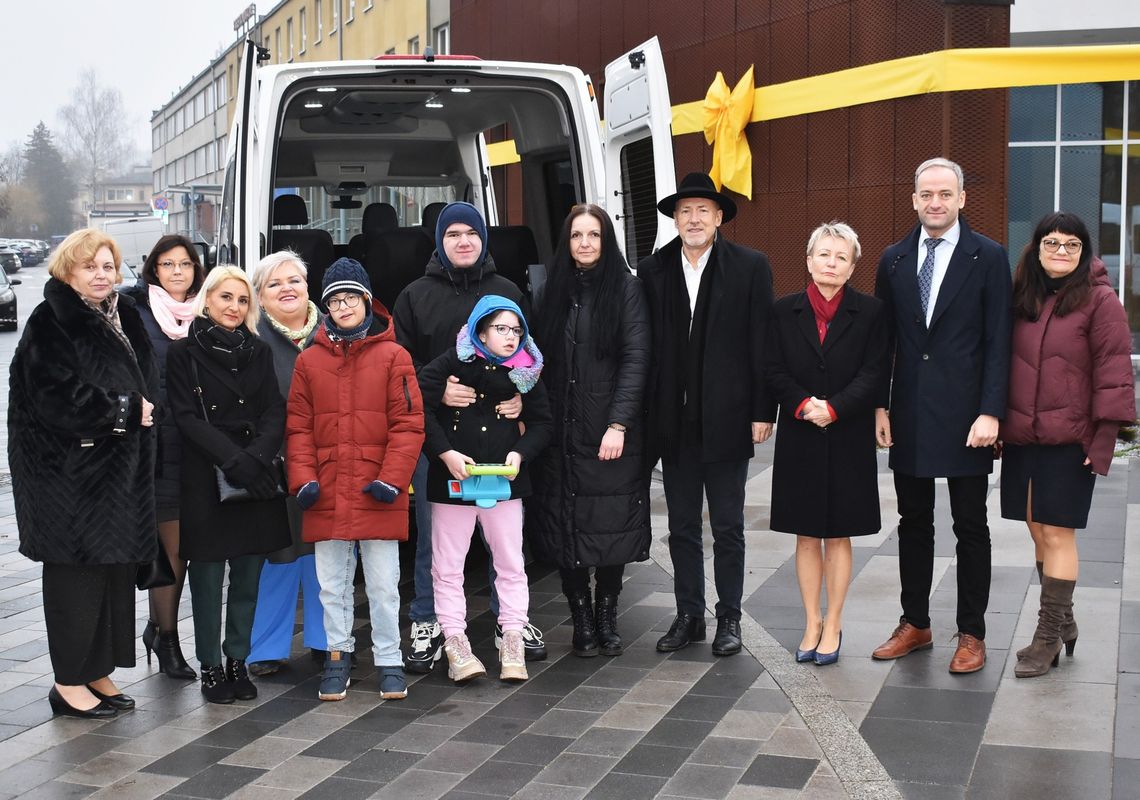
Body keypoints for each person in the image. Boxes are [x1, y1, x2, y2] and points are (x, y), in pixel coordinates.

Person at [8, 228, 158, 717]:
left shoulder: (124, 314)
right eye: (90, 266)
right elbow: (52, 394)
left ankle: (97, 671)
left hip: (117, 470)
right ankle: (68, 681)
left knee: (111, 574)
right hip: (67, 474)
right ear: (67, 270)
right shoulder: (50, 319)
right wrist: (124, 410)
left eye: (108, 266)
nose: (101, 274)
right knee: (75, 574)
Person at [392, 201, 546, 670]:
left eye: (472, 233)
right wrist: (440, 393)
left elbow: (528, 356)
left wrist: (523, 400)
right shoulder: (414, 295)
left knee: (506, 541)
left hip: (500, 439)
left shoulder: (508, 291)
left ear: (484, 239)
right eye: (453, 233)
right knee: (436, 538)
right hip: (439, 437)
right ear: (439, 241)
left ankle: (509, 624)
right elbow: (401, 366)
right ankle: (428, 619)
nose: (464, 241)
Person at [872, 157, 1012, 674]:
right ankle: (916, 622)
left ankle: (972, 633)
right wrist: (880, 405)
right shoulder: (892, 259)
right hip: (908, 411)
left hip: (967, 419)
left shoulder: (989, 256)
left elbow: (1000, 340)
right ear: (913, 200)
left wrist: (991, 412)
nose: (935, 202)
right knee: (914, 522)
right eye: (926, 194)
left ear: (961, 199)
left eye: (945, 194)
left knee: (970, 525)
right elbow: (882, 342)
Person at [639, 172, 775, 657]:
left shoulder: (750, 267)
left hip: (729, 416)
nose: (693, 219)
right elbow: (645, 348)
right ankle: (689, 615)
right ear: (675, 218)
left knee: (728, 526)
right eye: (685, 211)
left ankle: (730, 618)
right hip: (673, 422)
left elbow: (763, 342)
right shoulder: (652, 270)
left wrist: (764, 409)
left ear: (719, 217)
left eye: (703, 210)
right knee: (680, 526)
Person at [999, 212, 1134, 678]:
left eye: (1071, 245)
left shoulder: (1100, 301)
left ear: (1084, 252)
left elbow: (1115, 376)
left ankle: (1047, 635)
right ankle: (1066, 621)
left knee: (1058, 533)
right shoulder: (1023, 297)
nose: (1060, 251)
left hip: (1069, 440)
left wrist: (1101, 442)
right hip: (1023, 436)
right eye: (1052, 242)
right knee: (1036, 529)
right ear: (1036, 247)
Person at [287, 258, 424, 700]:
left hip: (377, 490)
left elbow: (408, 425)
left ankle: (389, 657)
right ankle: (337, 656)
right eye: (333, 299)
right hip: (326, 489)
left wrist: (393, 478)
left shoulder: (394, 356)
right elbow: (298, 428)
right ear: (324, 306)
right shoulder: (309, 361)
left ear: (367, 299)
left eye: (350, 297)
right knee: (331, 585)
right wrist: (303, 479)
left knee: (384, 584)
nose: (342, 306)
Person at [529, 204, 651, 657]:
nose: (584, 243)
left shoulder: (626, 289)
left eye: (594, 235)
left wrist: (619, 423)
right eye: (577, 234)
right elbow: (532, 358)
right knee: (567, 525)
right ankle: (580, 617)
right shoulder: (549, 292)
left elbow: (636, 360)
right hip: (560, 431)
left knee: (610, 524)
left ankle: (607, 613)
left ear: (606, 241)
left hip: (608, 431)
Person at [166, 266, 291, 703]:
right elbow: (184, 418)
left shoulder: (258, 351)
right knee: (205, 578)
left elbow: (274, 412)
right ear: (207, 300)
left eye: (242, 300)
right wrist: (235, 460)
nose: (234, 307)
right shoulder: (182, 353)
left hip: (254, 480)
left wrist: (254, 460)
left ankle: (238, 658)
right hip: (207, 479)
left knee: (248, 579)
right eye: (226, 298)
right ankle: (211, 667)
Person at [766, 222, 888, 666]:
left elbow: (874, 372)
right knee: (804, 534)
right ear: (809, 260)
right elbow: (773, 368)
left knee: (838, 534)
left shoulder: (871, 312)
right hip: (800, 433)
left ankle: (833, 621)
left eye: (841, 257)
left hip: (847, 432)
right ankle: (810, 621)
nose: (831, 264)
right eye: (823, 254)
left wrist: (834, 408)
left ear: (853, 265)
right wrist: (802, 405)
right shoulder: (783, 311)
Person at [418, 296, 552, 682]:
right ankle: (455, 641)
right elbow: (419, 410)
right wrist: (444, 452)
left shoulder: (527, 371)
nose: (511, 338)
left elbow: (544, 423)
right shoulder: (449, 364)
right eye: (502, 329)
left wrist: (520, 455)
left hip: (504, 485)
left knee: (511, 563)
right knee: (447, 567)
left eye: (517, 330)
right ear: (480, 330)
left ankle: (511, 634)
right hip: (453, 483)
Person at [121, 234, 206, 682]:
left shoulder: (207, 311)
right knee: (170, 549)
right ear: (154, 268)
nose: (177, 272)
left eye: (186, 264)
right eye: (168, 264)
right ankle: (168, 638)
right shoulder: (132, 312)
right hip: (155, 447)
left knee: (186, 548)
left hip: (198, 447)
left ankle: (156, 628)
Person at [246, 251, 328, 676]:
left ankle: (326, 639)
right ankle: (265, 648)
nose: (287, 289)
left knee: (324, 556)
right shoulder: (251, 337)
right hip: (273, 467)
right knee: (278, 556)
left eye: (294, 279)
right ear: (260, 295)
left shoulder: (334, 331)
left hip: (329, 464)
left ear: (308, 286)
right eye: (275, 284)